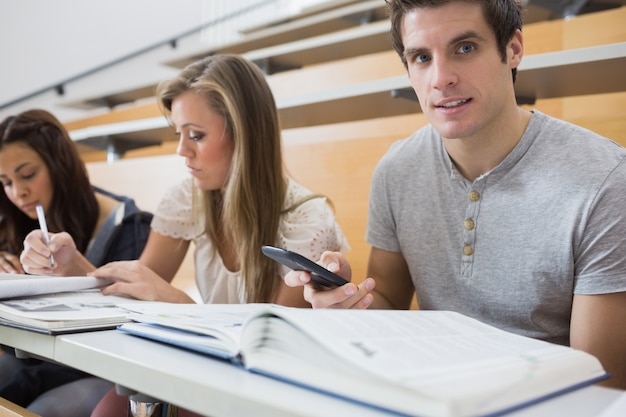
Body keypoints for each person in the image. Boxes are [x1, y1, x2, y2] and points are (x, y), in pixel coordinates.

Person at [284, 0, 626, 390]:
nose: (441, 78)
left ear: (513, 49)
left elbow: (601, 383)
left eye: (465, 48)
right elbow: (390, 306)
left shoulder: (606, 180)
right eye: (421, 57)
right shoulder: (397, 170)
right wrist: (345, 298)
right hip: (432, 392)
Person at [87, 54, 349, 416]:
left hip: (259, 387)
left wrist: (182, 307)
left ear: (245, 135)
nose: (182, 150)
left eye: (196, 135)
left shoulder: (306, 219)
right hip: (201, 363)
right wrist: (74, 267)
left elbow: (266, 349)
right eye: (179, 134)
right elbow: (137, 288)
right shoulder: (187, 196)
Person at [0, 109, 152, 416]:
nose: (19, 192)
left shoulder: (130, 226)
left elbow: (126, 330)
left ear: (60, 165)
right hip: (35, 353)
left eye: (27, 174)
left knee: (43, 407)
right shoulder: (16, 218)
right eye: (5, 181)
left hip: (97, 366)